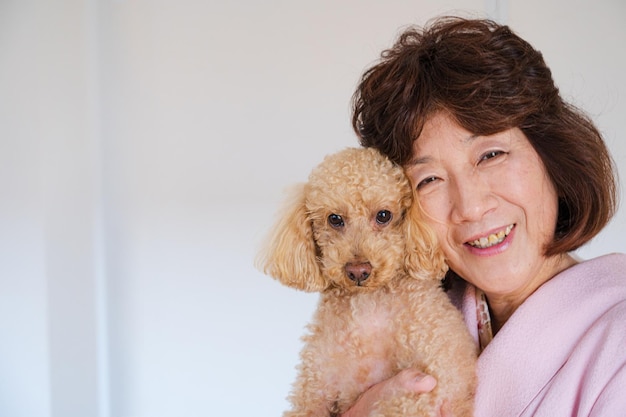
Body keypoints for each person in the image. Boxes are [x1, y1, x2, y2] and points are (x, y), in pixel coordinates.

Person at [344, 16, 626, 416]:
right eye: (429, 180)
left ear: (551, 156)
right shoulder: (399, 332)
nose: (472, 206)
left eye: (491, 155)